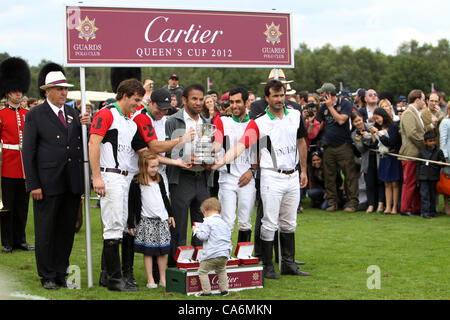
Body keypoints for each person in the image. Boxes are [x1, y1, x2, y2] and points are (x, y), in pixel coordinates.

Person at [212, 79, 309, 279]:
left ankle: (288, 263)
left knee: (289, 222)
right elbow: (241, 146)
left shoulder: (296, 115)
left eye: (282, 95)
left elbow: (301, 142)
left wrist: (304, 171)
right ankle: (267, 265)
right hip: (271, 175)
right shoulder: (259, 122)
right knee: (269, 222)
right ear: (267, 98)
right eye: (275, 96)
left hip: (292, 174)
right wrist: (219, 163)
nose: (279, 99)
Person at [22, 71, 90, 289]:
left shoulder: (72, 112)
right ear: (48, 90)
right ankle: (48, 274)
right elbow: (28, 151)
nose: (64, 92)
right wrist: (33, 184)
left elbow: (80, 146)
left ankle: (61, 271)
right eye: (60, 89)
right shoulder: (36, 114)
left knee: (66, 231)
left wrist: (86, 125)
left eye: (66, 89)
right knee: (46, 231)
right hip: (47, 182)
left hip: (70, 181)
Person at [88, 78, 147, 292]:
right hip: (110, 175)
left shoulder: (130, 122)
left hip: (124, 177)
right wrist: (96, 177)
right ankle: (114, 279)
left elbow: (141, 151)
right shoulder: (105, 114)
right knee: (113, 225)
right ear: (124, 95)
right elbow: (93, 143)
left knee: (120, 224)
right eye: (136, 100)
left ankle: (106, 275)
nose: (138, 105)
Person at [165, 84, 211, 267]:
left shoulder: (206, 123)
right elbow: (164, 151)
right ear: (184, 100)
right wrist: (185, 156)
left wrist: (209, 159)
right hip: (181, 178)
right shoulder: (172, 122)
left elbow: (208, 149)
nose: (198, 103)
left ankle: (199, 266)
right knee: (179, 226)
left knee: (201, 226)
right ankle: (176, 267)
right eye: (194, 99)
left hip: (202, 178)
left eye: (201, 99)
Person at [212, 87, 257, 245]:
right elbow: (217, 144)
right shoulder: (222, 120)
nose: (234, 105)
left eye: (238, 101)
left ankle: (243, 259)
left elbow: (249, 148)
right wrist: (209, 155)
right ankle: (224, 259)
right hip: (227, 178)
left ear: (246, 103)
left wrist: (252, 171)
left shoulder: (254, 123)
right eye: (231, 102)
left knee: (245, 221)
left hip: (247, 178)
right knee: (227, 221)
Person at [0, 57, 34, 254]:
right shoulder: (2, 113)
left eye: (20, 89)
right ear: (7, 91)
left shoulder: (27, 113)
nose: (18, 93)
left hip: (24, 167)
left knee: (22, 207)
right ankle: (7, 241)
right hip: (7, 165)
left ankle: (20, 239)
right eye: (14, 90)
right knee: (8, 207)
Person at [128, 151, 174, 288]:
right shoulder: (137, 182)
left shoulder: (159, 179)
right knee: (148, 251)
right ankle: (150, 280)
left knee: (162, 251)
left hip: (162, 220)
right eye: (152, 167)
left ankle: (163, 279)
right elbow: (131, 203)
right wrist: (131, 222)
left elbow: (165, 197)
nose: (155, 169)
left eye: (157, 166)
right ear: (143, 166)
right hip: (147, 221)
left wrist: (170, 214)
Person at [316, 82, 359, 212]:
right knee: (329, 176)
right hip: (328, 146)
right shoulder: (323, 107)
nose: (321, 95)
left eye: (323, 93)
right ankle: (332, 203)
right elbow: (320, 124)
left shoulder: (345, 104)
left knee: (349, 175)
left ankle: (352, 203)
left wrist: (330, 107)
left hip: (343, 145)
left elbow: (341, 120)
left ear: (329, 94)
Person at [192, 197, 232, 297]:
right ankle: (224, 290)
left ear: (205, 212)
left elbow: (203, 236)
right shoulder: (224, 223)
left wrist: (196, 230)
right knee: (221, 270)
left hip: (212, 253)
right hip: (224, 254)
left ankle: (206, 291)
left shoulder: (207, 221)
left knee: (202, 271)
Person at [398, 89, 426, 216]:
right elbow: (412, 134)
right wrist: (424, 145)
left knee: (415, 182)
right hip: (410, 154)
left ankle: (415, 207)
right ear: (417, 99)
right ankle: (405, 208)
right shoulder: (409, 113)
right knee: (409, 182)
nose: (424, 102)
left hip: (416, 154)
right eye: (424, 99)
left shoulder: (416, 113)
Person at [370, 108, 403, 214]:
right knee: (386, 183)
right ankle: (388, 206)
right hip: (384, 157)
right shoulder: (378, 127)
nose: (378, 120)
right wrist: (372, 134)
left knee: (394, 183)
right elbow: (374, 145)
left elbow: (391, 142)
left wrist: (379, 134)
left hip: (393, 157)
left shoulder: (393, 126)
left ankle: (394, 207)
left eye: (378, 118)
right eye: (375, 119)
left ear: (383, 115)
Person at [416, 131, 445, 219]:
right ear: (425, 142)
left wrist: (441, 163)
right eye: (430, 141)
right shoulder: (422, 152)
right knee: (424, 195)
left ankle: (432, 211)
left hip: (433, 177)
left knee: (433, 195)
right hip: (423, 177)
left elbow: (443, 163)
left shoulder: (439, 151)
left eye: (433, 141)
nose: (432, 143)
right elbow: (418, 166)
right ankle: (425, 212)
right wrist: (418, 179)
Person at [439, 102, 450, 215]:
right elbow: (443, 140)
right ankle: (446, 205)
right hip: (448, 157)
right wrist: (445, 156)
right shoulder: (445, 122)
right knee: (447, 181)